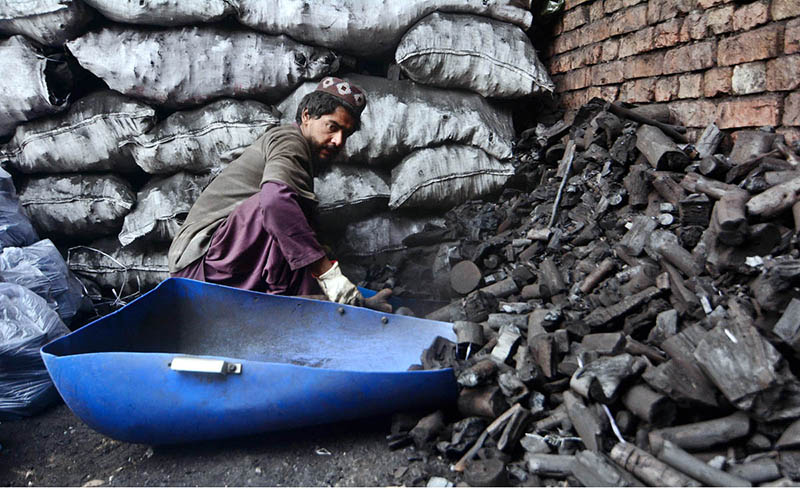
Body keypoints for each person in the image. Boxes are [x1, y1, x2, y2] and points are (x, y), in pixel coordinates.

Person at [168, 77, 391, 312]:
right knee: (279, 205)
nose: (338, 141)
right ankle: (301, 307)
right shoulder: (289, 139)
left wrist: (355, 303)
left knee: (301, 231)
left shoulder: (301, 160)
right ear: (306, 116)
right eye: (332, 127)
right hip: (200, 265)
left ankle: (314, 309)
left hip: (220, 263)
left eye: (346, 134)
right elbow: (275, 203)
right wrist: (328, 275)